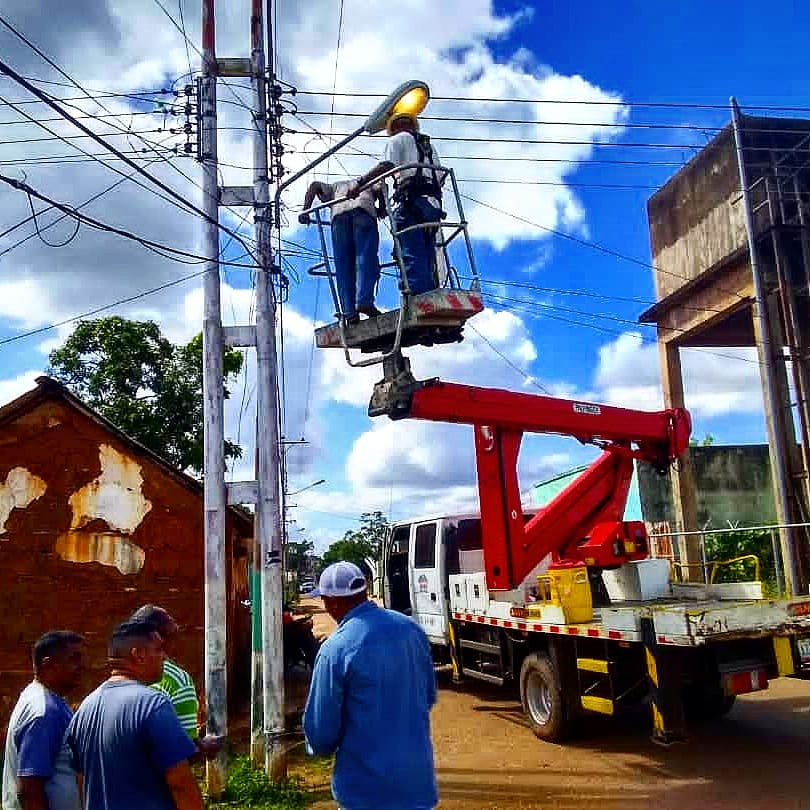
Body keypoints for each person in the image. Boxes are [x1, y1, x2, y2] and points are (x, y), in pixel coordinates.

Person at [303, 561, 438, 810]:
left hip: (366, 791)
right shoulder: (410, 629)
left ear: (332, 602)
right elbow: (428, 696)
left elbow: (322, 733)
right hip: (417, 785)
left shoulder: (335, 650)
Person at [65, 620, 203, 810]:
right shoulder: (153, 704)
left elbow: (82, 783)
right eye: (159, 649)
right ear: (138, 655)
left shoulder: (83, 710)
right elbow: (180, 784)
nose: (164, 656)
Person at [351, 112, 444, 297]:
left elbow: (386, 166)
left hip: (412, 203)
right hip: (433, 207)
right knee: (427, 254)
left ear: (392, 128)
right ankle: (431, 294)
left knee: (409, 250)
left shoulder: (397, 140)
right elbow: (440, 179)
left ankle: (417, 298)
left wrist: (359, 184)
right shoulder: (429, 147)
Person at [2, 631, 85, 810]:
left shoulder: (49, 700)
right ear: (49, 665)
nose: (82, 666)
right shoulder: (43, 711)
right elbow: (30, 788)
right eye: (74, 659)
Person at [299, 179, 383, 323]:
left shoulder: (333, 187)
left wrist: (305, 210)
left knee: (343, 267)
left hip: (339, 216)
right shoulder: (367, 181)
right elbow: (381, 186)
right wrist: (382, 207)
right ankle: (364, 301)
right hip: (363, 209)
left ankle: (349, 312)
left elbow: (314, 186)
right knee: (365, 258)